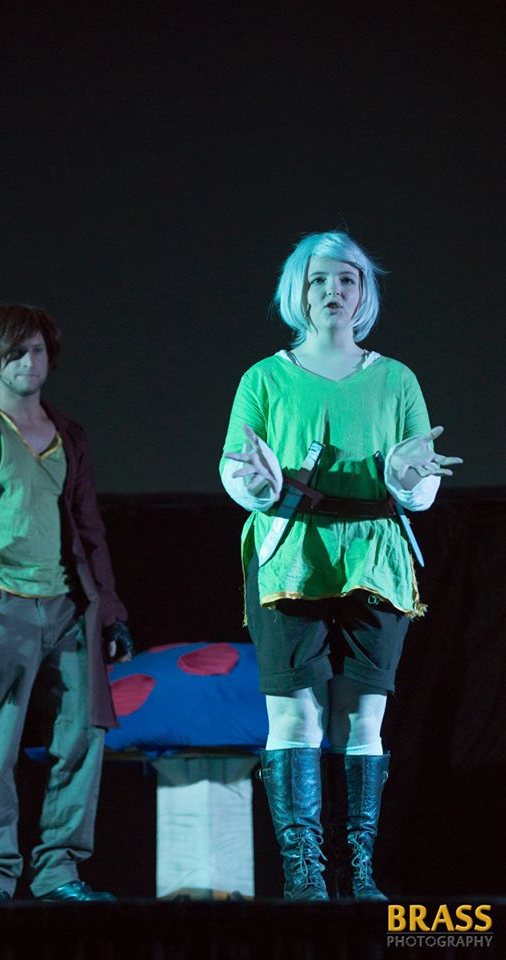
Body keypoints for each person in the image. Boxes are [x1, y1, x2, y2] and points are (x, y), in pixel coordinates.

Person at [220, 232, 462, 902]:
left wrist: (409, 477)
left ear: (364, 293)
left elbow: (419, 477)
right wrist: (258, 483)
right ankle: (305, 879)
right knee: (294, 720)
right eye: (319, 280)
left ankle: (359, 874)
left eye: (347, 280)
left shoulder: (396, 379)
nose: (333, 291)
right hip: (290, 555)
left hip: (375, 557)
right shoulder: (264, 378)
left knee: (362, 723)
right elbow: (237, 469)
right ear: (298, 291)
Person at [0, 303, 134, 902]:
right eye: (15, 352)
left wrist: (110, 613)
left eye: (37, 350)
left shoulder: (69, 435)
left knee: (81, 739)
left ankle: (60, 871)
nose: (28, 362)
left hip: (66, 608)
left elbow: (90, 531)